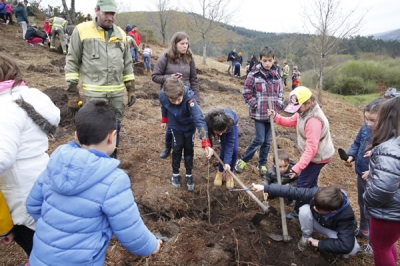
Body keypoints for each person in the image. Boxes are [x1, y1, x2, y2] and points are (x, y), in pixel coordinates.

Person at [26, 100, 162, 265]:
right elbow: (130, 231)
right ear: (112, 137)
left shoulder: (55, 165)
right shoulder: (113, 180)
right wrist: (151, 245)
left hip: (40, 258)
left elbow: (32, 205)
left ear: (76, 135)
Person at [0, 55, 60, 256]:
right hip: (43, 176)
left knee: (36, 246)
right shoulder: (33, 95)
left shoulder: (4, 107)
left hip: (19, 192)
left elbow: (2, 158)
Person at [65, 0, 135, 160]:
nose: (110, 17)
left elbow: (127, 64)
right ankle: (93, 165)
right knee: (95, 132)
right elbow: (72, 62)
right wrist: (72, 93)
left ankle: (111, 163)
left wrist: (131, 89)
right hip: (94, 96)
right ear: (96, 11)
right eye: (106, 13)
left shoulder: (121, 35)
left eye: (113, 13)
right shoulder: (82, 31)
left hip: (116, 96)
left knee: (114, 130)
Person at [267, 86, 334, 219]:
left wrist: (297, 167)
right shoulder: (303, 112)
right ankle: (314, 204)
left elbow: (311, 149)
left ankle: (298, 213)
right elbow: (291, 121)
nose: (296, 110)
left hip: (317, 157)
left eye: (298, 107)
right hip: (312, 156)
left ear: (309, 102)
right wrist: (276, 117)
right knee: (311, 183)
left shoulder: (313, 120)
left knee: (302, 184)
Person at [252, 184, 360, 259]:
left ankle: (336, 250)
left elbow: (346, 245)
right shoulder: (316, 194)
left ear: (333, 210)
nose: (314, 208)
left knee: (353, 248)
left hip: (333, 230)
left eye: (318, 209)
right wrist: (265, 187)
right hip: (318, 221)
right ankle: (306, 236)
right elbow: (292, 192)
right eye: (315, 205)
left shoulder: (346, 215)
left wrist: (320, 243)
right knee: (304, 210)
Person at [343, 98, 387, 254]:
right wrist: (351, 156)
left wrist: (373, 172)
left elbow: (389, 163)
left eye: (372, 120)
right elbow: (356, 144)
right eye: (366, 119)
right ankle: (364, 229)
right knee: (362, 203)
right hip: (361, 173)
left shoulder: (388, 135)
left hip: (376, 180)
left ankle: (374, 243)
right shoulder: (365, 128)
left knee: (374, 209)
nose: (368, 123)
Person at [235, 45, 283, 179]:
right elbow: (246, 92)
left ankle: (262, 164)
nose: (267, 63)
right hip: (259, 114)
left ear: (273, 59)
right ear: (260, 60)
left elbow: (280, 93)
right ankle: (243, 160)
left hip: (271, 114)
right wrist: (255, 105)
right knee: (260, 139)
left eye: (270, 60)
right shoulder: (253, 75)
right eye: (264, 61)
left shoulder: (277, 76)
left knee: (267, 141)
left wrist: (277, 107)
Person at [152, 31, 201, 159]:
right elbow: (155, 76)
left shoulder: (189, 58)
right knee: (171, 125)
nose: (185, 46)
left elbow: (194, 79)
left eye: (187, 43)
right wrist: (170, 77)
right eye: (182, 43)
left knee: (186, 124)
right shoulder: (165, 57)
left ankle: (184, 150)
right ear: (175, 44)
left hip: (185, 96)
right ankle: (168, 146)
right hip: (170, 96)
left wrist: (196, 98)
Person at [363, 97, 400, 266]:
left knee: (379, 247)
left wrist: (367, 198)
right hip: (395, 210)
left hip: (388, 212)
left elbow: (383, 189)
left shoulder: (389, 149)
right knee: (386, 245)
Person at [159, 77, 213, 191]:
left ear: (182, 93)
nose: (177, 102)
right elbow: (164, 106)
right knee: (177, 148)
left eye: (179, 99)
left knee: (189, 149)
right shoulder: (163, 96)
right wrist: (164, 119)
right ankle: (175, 173)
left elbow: (199, 118)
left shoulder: (189, 99)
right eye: (173, 101)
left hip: (189, 126)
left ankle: (189, 173)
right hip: (174, 125)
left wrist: (205, 140)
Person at [205, 107, 239, 189]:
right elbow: (204, 133)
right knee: (221, 147)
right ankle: (220, 172)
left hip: (232, 123)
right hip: (213, 126)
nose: (220, 135)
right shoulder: (206, 121)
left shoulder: (230, 123)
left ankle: (229, 173)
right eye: (217, 132)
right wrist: (207, 146)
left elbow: (230, 143)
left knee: (234, 150)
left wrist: (227, 162)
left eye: (222, 132)